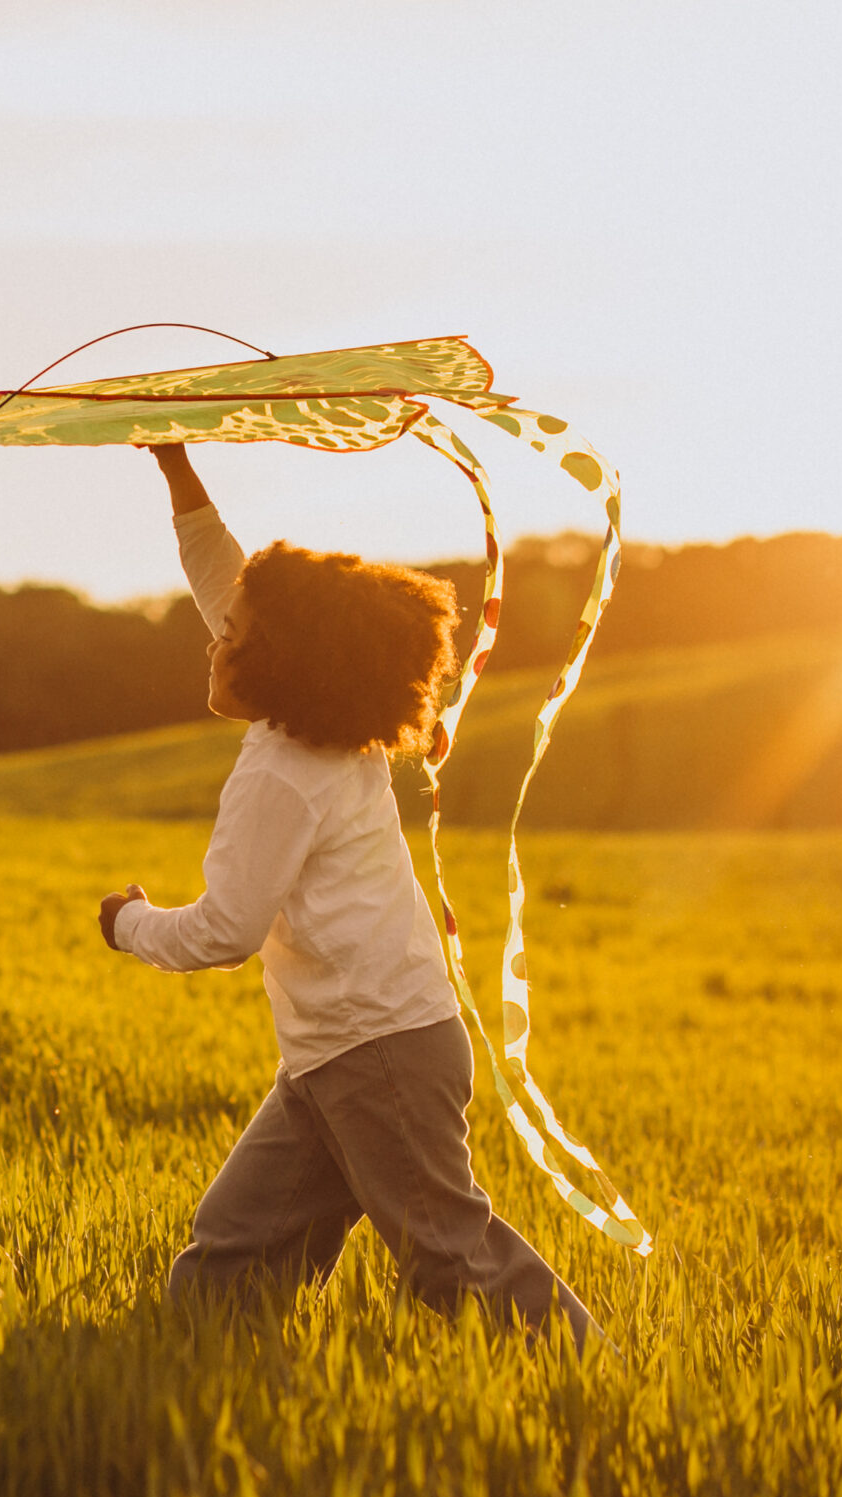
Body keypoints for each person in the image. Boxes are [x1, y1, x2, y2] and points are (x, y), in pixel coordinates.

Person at [100, 443, 595, 1348]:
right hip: (346, 1054)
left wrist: (127, 922)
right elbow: (229, 581)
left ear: (281, 664)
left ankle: (586, 1368)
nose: (215, 638)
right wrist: (176, 468)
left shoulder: (282, 776)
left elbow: (225, 930)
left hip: (378, 1056)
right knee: (234, 1255)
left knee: (450, 1258)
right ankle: (189, 1365)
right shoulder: (331, 718)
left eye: (233, 638)